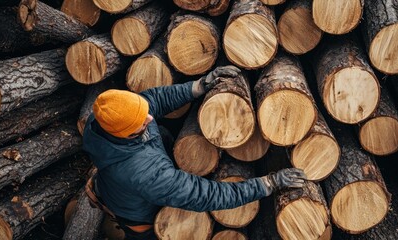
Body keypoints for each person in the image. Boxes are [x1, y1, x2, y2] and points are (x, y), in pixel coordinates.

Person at [82, 66, 307, 240]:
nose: (149, 117)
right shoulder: (145, 174)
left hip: (123, 183)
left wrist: (200, 85)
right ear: (126, 134)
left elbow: (155, 100)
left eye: (143, 112)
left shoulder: (105, 118)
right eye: (141, 122)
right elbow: (206, 195)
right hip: (140, 219)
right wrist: (268, 184)